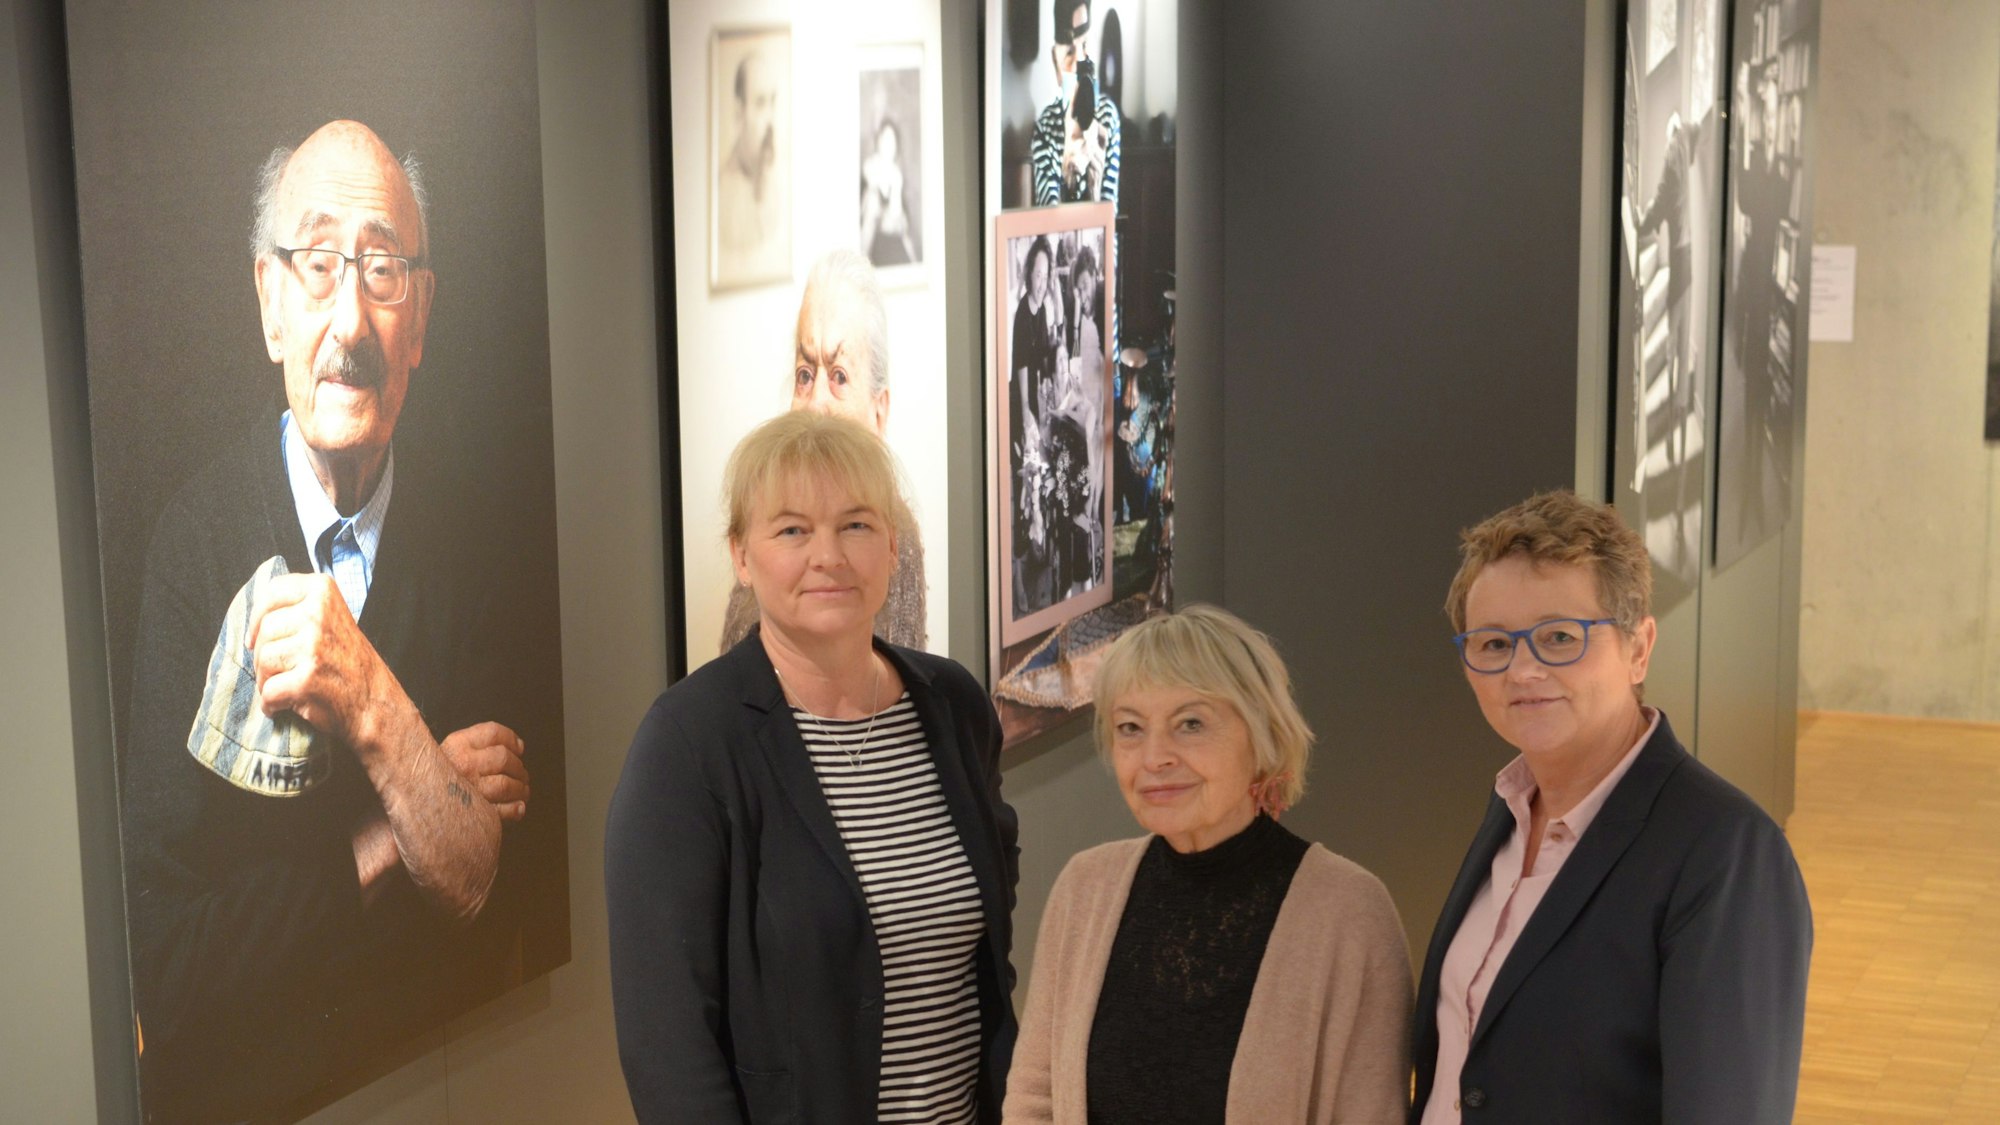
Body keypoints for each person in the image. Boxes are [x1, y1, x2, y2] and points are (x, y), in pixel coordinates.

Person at [121, 119, 537, 1120]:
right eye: (317, 266)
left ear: (420, 318)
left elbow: (489, 890)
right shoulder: (190, 546)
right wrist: (391, 833)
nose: (350, 320)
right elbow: (168, 969)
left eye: (382, 271)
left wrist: (364, 688)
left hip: (457, 1081)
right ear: (270, 303)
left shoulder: (483, 541)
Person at [608, 411, 1020, 1124]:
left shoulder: (953, 706)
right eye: (793, 530)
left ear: (892, 547)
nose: (828, 556)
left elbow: (990, 962)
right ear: (742, 555)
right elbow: (666, 1046)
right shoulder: (689, 745)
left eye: (856, 525)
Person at [1413, 490, 1812, 1123]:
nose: (1522, 670)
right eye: (1492, 644)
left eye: (1559, 637)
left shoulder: (1727, 852)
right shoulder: (1512, 810)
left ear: (1638, 648)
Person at [1005, 605, 1412, 1124]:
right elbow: (1035, 1099)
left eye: (1190, 724)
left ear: (1261, 735)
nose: (1154, 757)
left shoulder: (1349, 911)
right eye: (1130, 727)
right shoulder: (1084, 888)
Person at [719, 248, 926, 652]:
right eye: (805, 375)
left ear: (879, 411)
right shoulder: (765, 505)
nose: (816, 402)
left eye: (839, 376)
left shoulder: (891, 530)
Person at [1030, 0, 1121, 207]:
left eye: (1085, 46)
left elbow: (1111, 220)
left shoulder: (1107, 116)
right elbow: (1046, 221)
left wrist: (1095, 189)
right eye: (1069, 53)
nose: (1080, 62)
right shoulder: (1045, 128)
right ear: (1056, 64)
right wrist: (1067, 176)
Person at [718, 46, 785, 274]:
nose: (770, 119)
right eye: (760, 103)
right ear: (740, 111)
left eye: (772, 102)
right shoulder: (725, 192)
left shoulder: (776, 182)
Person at [860, 115, 919, 267]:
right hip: (872, 242)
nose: (888, 145)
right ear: (878, 143)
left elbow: (896, 219)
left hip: (892, 238)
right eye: (885, 140)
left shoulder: (896, 176)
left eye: (892, 141)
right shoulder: (870, 169)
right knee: (872, 201)